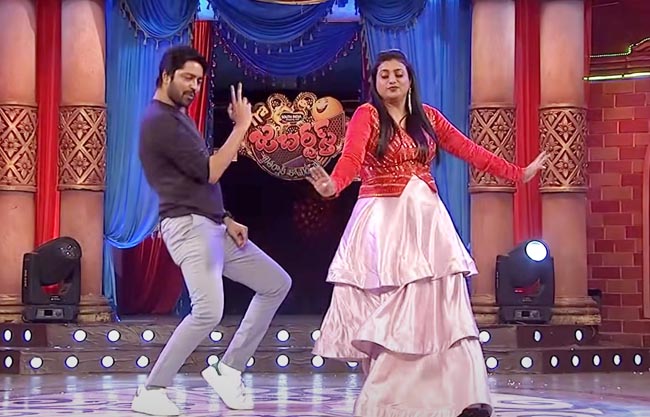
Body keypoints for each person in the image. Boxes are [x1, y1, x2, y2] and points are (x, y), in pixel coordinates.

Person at [306, 49, 547, 417]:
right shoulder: (367, 115)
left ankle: (461, 397)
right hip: (384, 221)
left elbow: (468, 149)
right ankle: (390, 401)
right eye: (384, 74)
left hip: (427, 220)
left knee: (442, 306)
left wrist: (517, 173)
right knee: (394, 308)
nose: (392, 80)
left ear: (409, 80)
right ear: (374, 82)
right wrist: (333, 185)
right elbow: (351, 158)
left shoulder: (428, 117)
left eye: (398, 74)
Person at [132, 45, 292, 416]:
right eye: (187, 78)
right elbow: (210, 171)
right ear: (166, 76)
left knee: (275, 283)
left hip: (211, 225)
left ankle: (229, 369)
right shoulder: (160, 122)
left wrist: (226, 218)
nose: (194, 86)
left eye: (199, 80)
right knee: (207, 311)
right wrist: (242, 126)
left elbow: (195, 180)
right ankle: (152, 389)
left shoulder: (178, 118)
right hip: (189, 227)